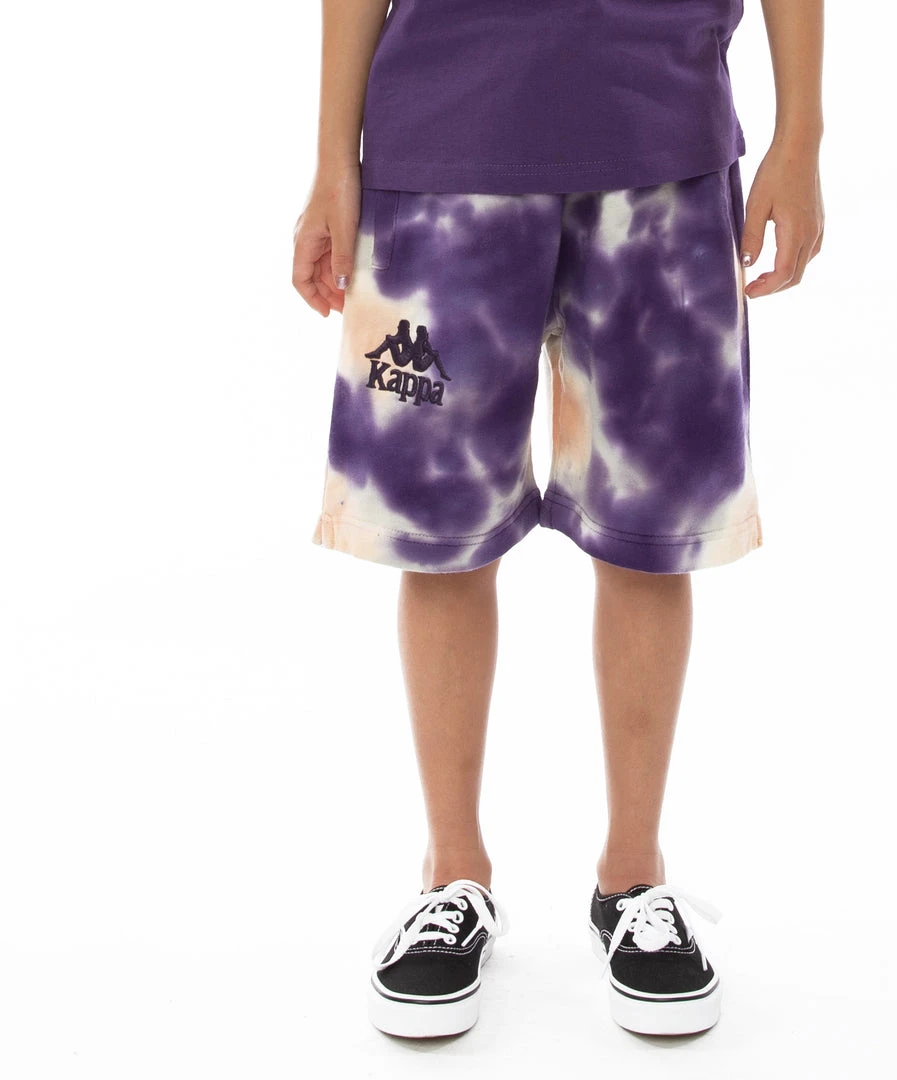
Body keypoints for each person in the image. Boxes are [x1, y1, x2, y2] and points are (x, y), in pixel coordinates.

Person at [292, 0, 824, 1040]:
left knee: (649, 536)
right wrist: (330, 161)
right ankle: (453, 875)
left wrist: (800, 134)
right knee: (441, 540)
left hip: (661, 146)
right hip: (440, 147)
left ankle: (633, 880)